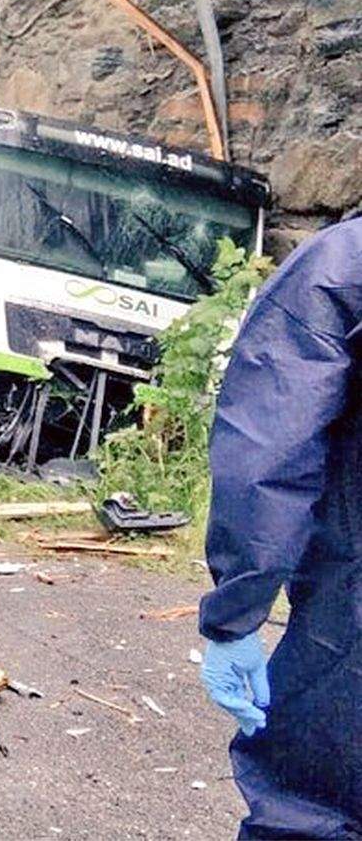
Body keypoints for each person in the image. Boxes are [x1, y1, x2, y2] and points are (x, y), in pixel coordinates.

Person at [198, 216, 361, 838]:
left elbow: (268, 449)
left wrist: (236, 612)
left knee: (312, 814)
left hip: (350, 635)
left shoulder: (343, 266)